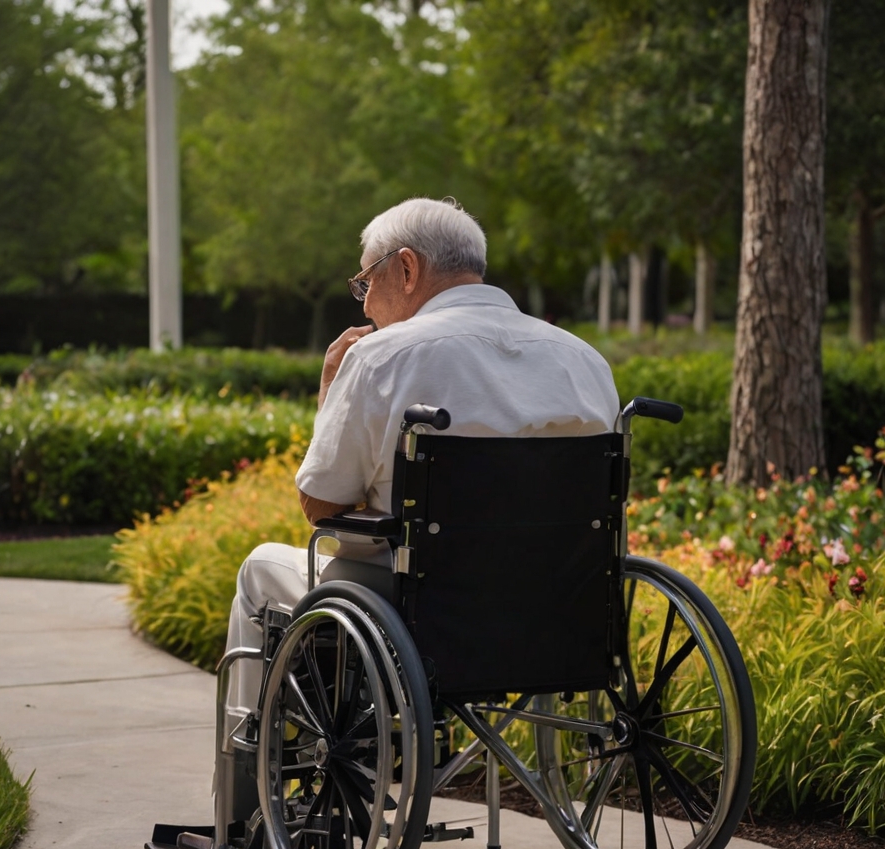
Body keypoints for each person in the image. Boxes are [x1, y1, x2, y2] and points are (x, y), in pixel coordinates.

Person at [224, 197, 619, 722]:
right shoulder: (584, 359)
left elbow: (322, 503)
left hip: (418, 608)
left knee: (259, 570)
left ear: (406, 268)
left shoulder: (382, 357)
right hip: (556, 607)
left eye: (366, 282)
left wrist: (331, 389)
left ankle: (247, 786)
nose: (364, 305)